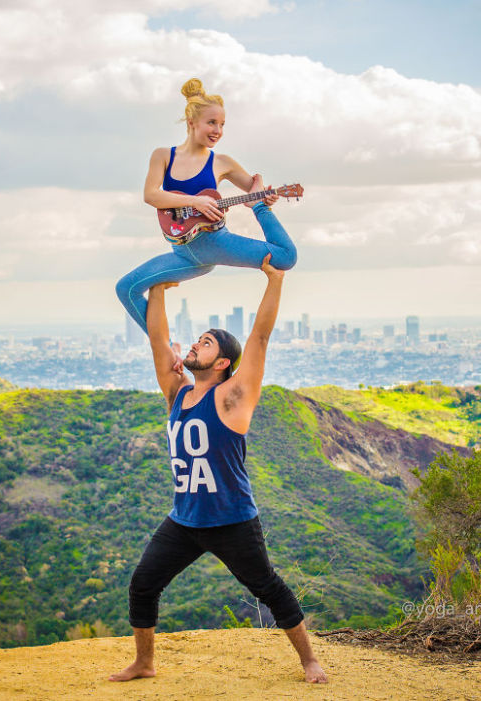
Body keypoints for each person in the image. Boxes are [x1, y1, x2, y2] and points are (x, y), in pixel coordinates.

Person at [108, 255, 328, 685]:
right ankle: (144, 662)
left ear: (224, 362)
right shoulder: (177, 393)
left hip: (232, 522)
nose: (195, 345)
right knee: (143, 584)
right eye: (198, 340)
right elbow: (158, 340)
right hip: (184, 520)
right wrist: (156, 289)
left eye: (207, 343)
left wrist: (274, 280)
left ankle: (310, 661)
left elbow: (260, 339)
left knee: (268, 588)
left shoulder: (232, 399)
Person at [115, 78, 297, 340]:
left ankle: (263, 214)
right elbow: (151, 195)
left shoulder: (222, 162)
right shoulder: (163, 155)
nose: (218, 130)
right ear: (192, 123)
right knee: (126, 289)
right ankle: (166, 349)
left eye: (222, 124)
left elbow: (253, 190)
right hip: (183, 254)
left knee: (287, 257)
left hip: (216, 244)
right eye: (212, 123)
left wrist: (262, 202)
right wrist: (194, 201)